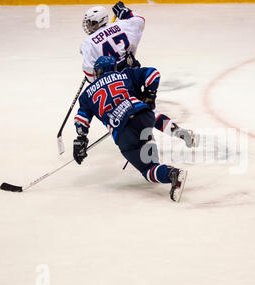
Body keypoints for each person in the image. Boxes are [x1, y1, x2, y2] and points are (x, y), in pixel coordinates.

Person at [80, 2, 198, 148]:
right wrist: (125, 12)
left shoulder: (88, 43)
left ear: (99, 21)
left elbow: (90, 73)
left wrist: (93, 79)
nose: (89, 26)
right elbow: (139, 19)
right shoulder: (122, 25)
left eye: (91, 23)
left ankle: (142, 146)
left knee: (122, 117)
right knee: (148, 111)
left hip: (114, 84)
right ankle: (179, 133)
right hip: (132, 75)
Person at [73, 56, 188, 202]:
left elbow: (81, 120)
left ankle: (172, 174)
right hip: (144, 116)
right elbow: (153, 74)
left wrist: (81, 140)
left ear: (98, 72)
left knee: (148, 169)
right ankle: (176, 132)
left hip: (124, 131)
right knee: (149, 114)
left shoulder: (86, 95)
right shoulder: (124, 74)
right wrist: (149, 95)